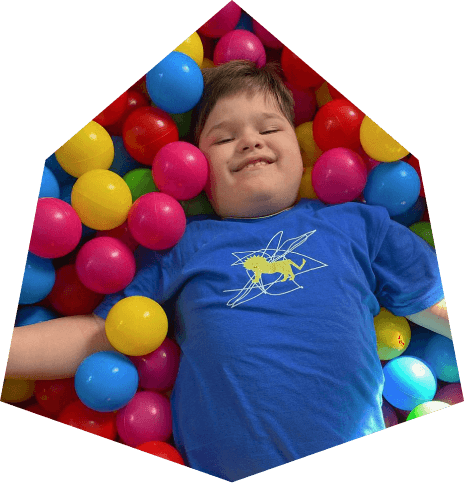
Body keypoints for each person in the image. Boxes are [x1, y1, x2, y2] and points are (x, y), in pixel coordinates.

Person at [5, 60, 451, 481]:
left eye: (270, 127)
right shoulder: (183, 244)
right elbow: (102, 333)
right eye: (222, 138)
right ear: (196, 171)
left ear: (301, 148)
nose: (250, 141)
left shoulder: (358, 225)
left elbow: (434, 304)